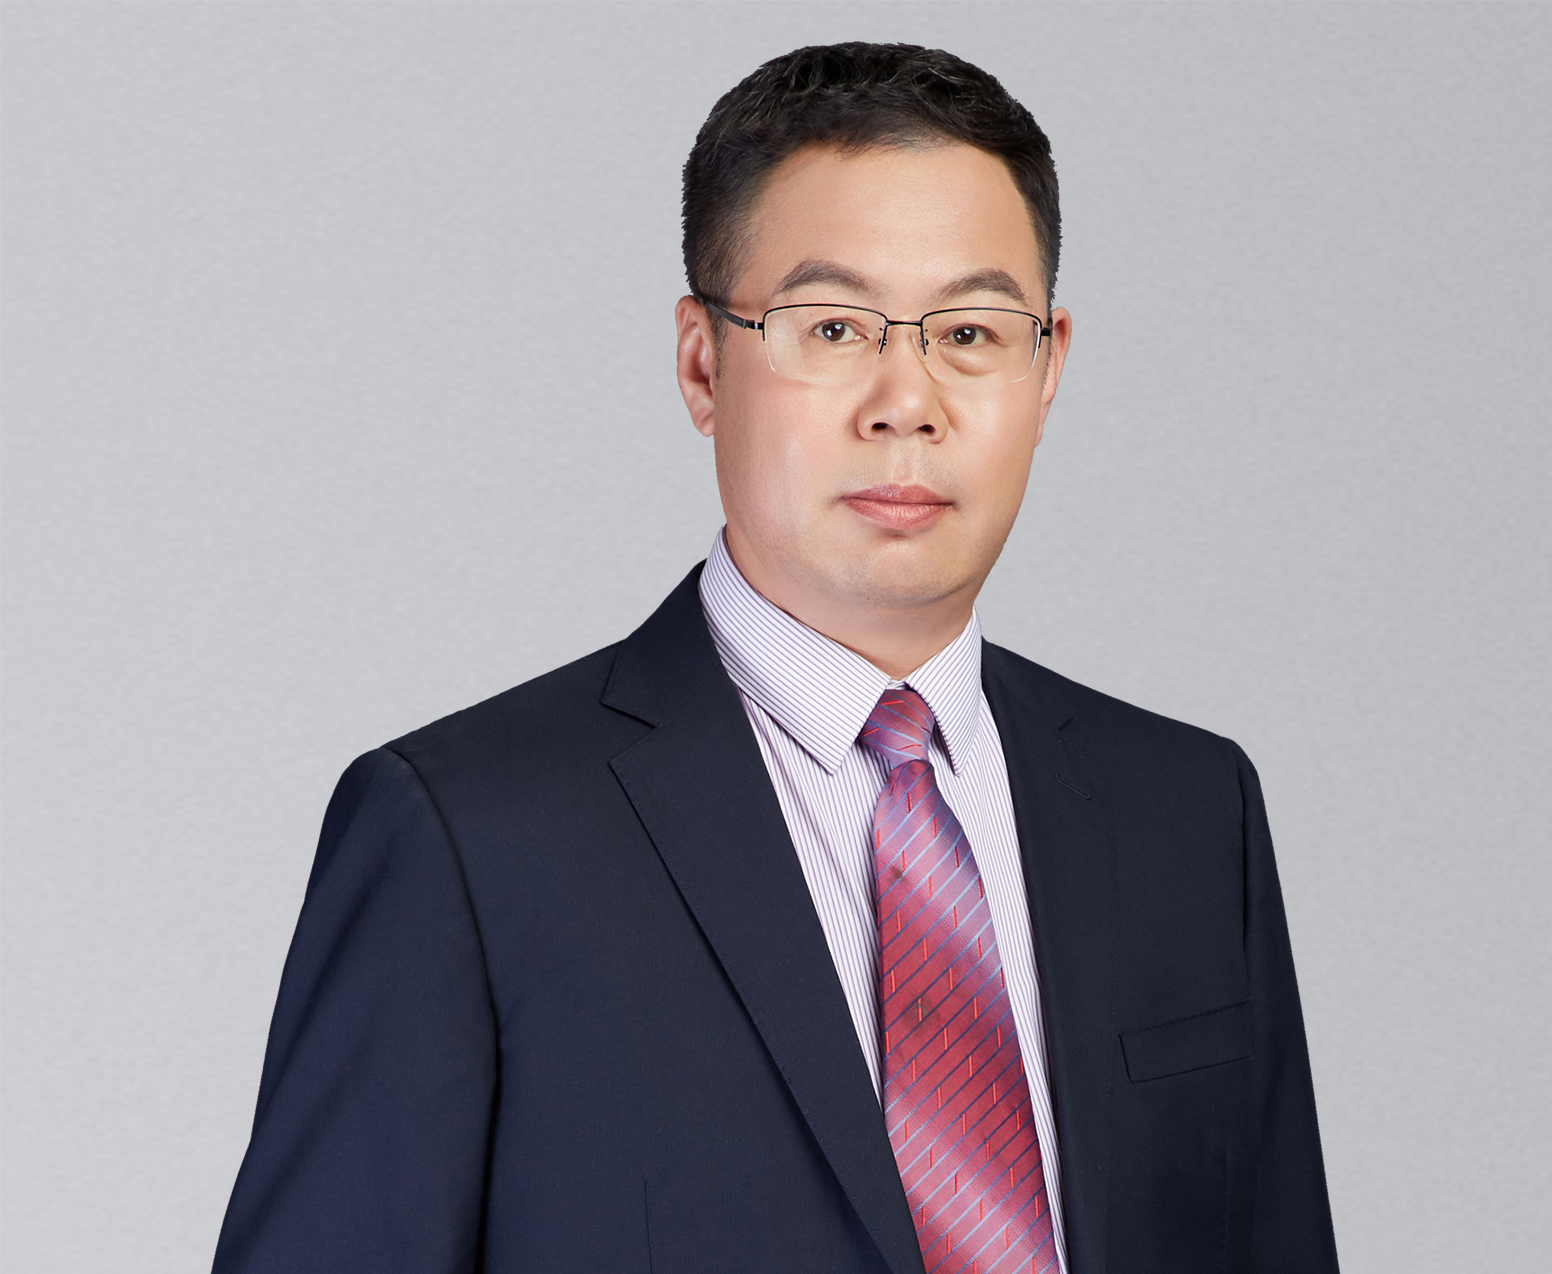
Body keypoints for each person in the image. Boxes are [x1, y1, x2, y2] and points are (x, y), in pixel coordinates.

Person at [212, 42, 1338, 1274]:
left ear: (1047, 363)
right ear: (702, 362)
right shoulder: (468, 838)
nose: (906, 400)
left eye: (970, 330)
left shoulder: (1187, 811)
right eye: (833, 326)